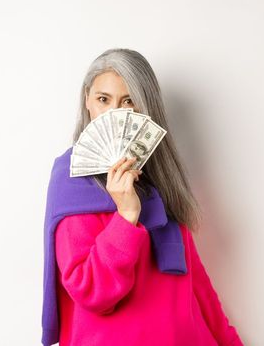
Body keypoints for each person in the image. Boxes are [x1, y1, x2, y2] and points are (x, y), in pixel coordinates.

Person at [42, 48, 244, 345]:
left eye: (128, 101)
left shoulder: (160, 175)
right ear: (87, 100)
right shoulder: (72, 180)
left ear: (145, 108)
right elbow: (89, 290)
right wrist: (125, 216)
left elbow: (197, 284)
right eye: (103, 99)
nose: (115, 114)